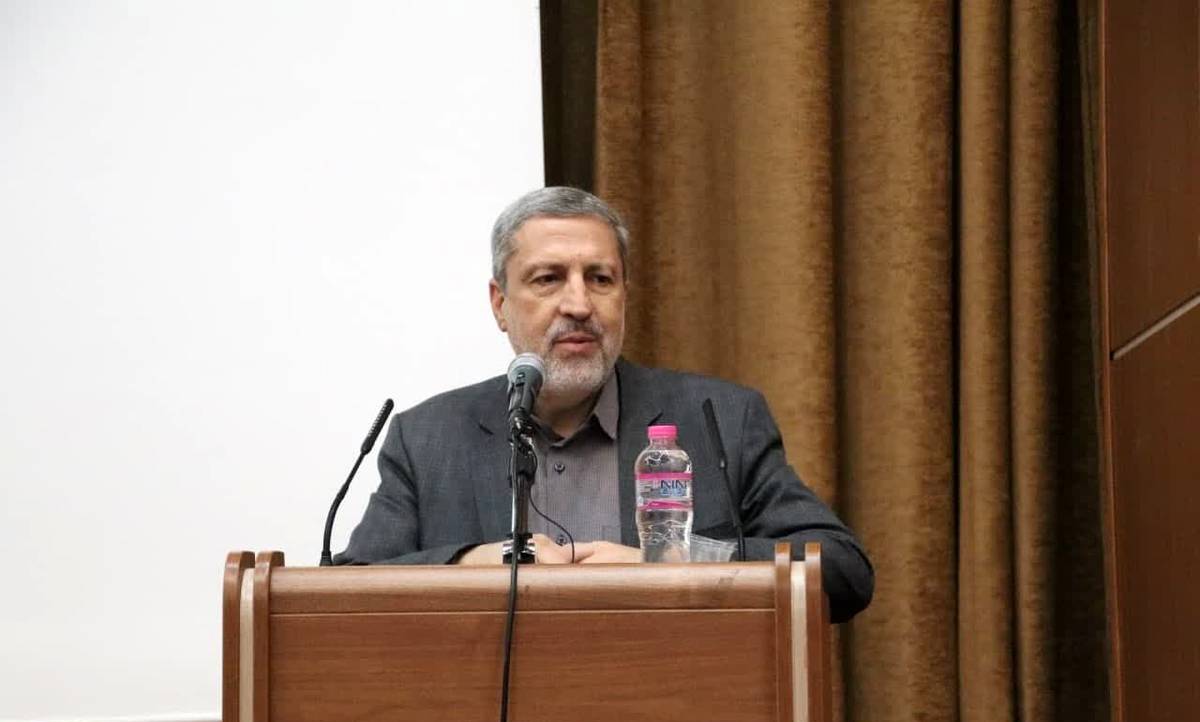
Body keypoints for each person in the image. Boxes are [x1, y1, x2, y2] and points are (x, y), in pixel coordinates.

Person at [335, 187, 873, 621]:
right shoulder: (428, 438)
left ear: (624, 295)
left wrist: (671, 560)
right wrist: (466, 564)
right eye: (548, 279)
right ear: (500, 304)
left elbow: (843, 573)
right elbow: (345, 593)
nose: (579, 304)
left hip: (678, 716)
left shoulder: (719, 419)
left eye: (600, 279)